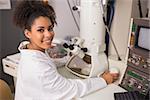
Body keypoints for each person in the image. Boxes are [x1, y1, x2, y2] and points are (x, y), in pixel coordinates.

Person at [13, 1, 118, 100]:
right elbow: (71, 89)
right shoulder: (39, 68)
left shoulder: (29, 50)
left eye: (50, 28)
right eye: (41, 30)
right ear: (28, 33)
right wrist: (103, 80)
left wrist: (66, 59)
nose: (48, 34)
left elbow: (45, 62)